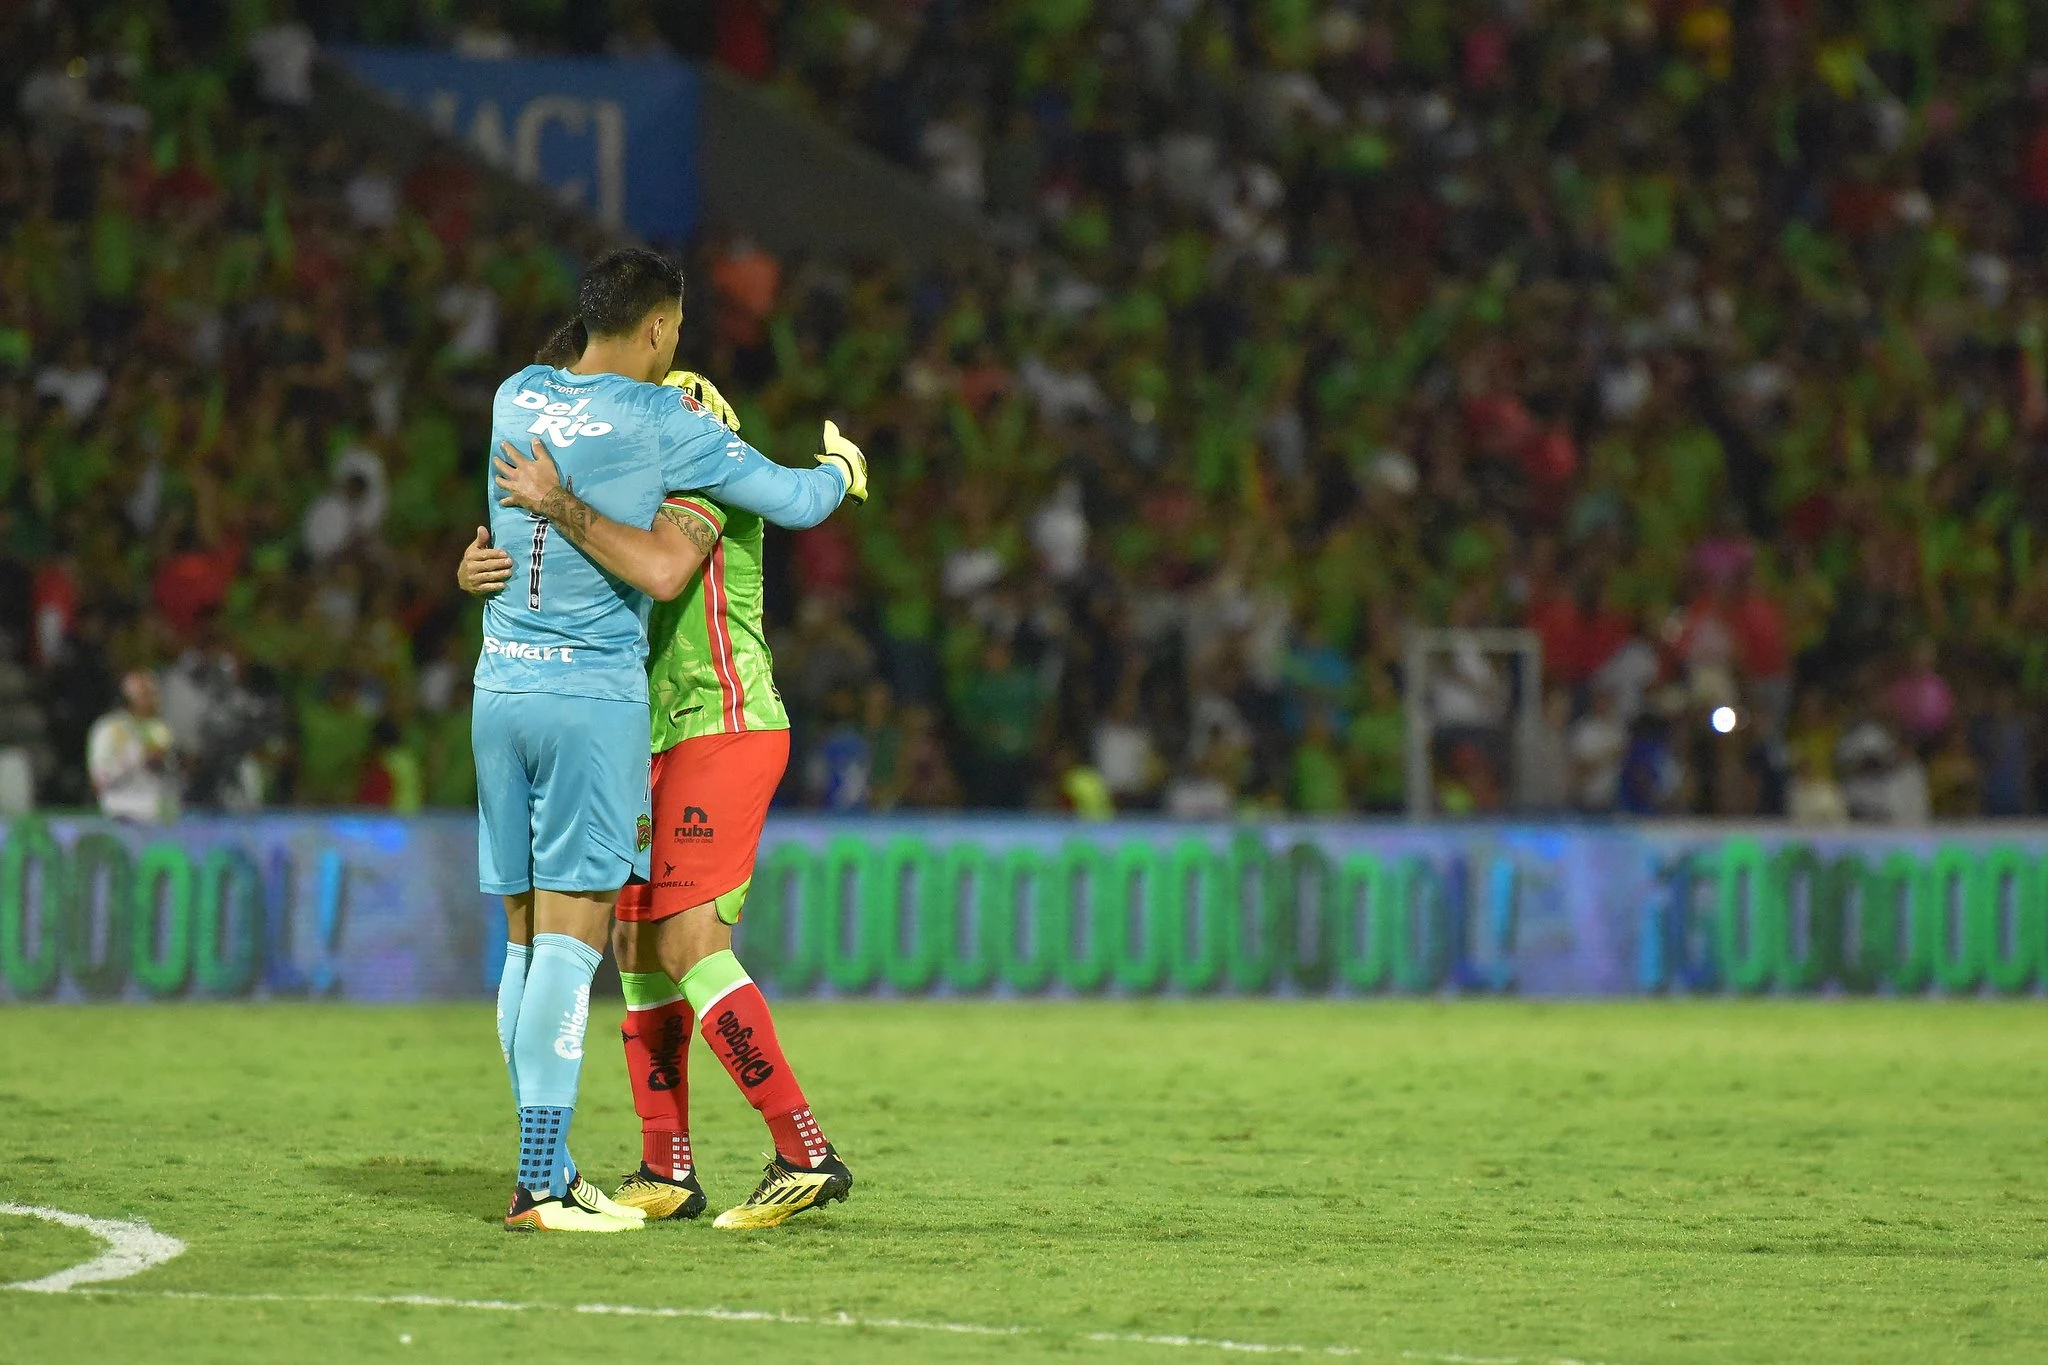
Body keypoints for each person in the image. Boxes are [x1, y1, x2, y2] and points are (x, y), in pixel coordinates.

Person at [473, 248, 864, 1234]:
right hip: (645, 735)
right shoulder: (630, 456)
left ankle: (802, 1149)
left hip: (721, 727)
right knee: (638, 951)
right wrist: (490, 558)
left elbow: (654, 567)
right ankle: (666, 1167)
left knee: (684, 943)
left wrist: (555, 510)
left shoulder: (693, 493)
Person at [86, 670, 177, 822]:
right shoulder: (110, 728)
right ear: (128, 696)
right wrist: (138, 757)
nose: (154, 697)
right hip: (123, 813)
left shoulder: (160, 728)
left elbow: (172, 775)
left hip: (160, 816)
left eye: (154, 691)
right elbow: (99, 780)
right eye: (145, 692)